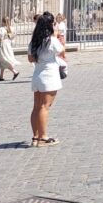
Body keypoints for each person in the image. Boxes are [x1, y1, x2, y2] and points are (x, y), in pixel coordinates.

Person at [28, 12, 64, 147]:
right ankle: (43, 138)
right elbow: (61, 50)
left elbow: (30, 58)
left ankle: (35, 136)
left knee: (36, 107)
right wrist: (54, 35)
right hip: (49, 76)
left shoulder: (34, 41)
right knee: (45, 107)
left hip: (37, 75)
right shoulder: (51, 40)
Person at [0, 17, 20, 81]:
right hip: (8, 44)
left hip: (4, 44)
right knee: (2, 59)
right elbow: (13, 37)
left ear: (3, 22)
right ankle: (1, 76)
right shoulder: (11, 28)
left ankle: (15, 72)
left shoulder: (2, 29)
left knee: (4, 59)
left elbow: (0, 38)